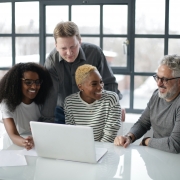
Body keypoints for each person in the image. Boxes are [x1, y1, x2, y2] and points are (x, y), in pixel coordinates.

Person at [39, 21, 124, 124]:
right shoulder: (52, 61)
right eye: (63, 48)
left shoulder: (94, 53)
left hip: (93, 109)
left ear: (79, 41)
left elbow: (109, 83)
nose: (69, 53)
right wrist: (45, 122)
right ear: (56, 46)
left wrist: (115, 106)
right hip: (62, 111)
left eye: (73, 47)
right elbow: (50, 95)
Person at [114, 54, 180, 154]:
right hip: (158, 154)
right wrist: (129, 137)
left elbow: (174, 145)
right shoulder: (156, 95)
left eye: (165, 79)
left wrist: (146, 141)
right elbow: (143, 123)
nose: (159, 83)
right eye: (157, 77)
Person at [0, 62, 52, 150]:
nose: (34, 86)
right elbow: (13, 135)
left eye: (37, 82)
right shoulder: (7, 104)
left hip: (37, 143)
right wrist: (25, 142)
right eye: (28, 82)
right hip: (13, 145)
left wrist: (33, 141)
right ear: (16, 83)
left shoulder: (43, 102)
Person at [64, 64, 121, 143]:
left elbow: (111, 132)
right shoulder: (69, 102)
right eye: (94, 84)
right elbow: (71, 132)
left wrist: (98, 151)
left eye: (101, 82)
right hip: (80, 148)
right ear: (80, 87)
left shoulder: (111, 98)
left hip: (105, 148)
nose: (100, 87)